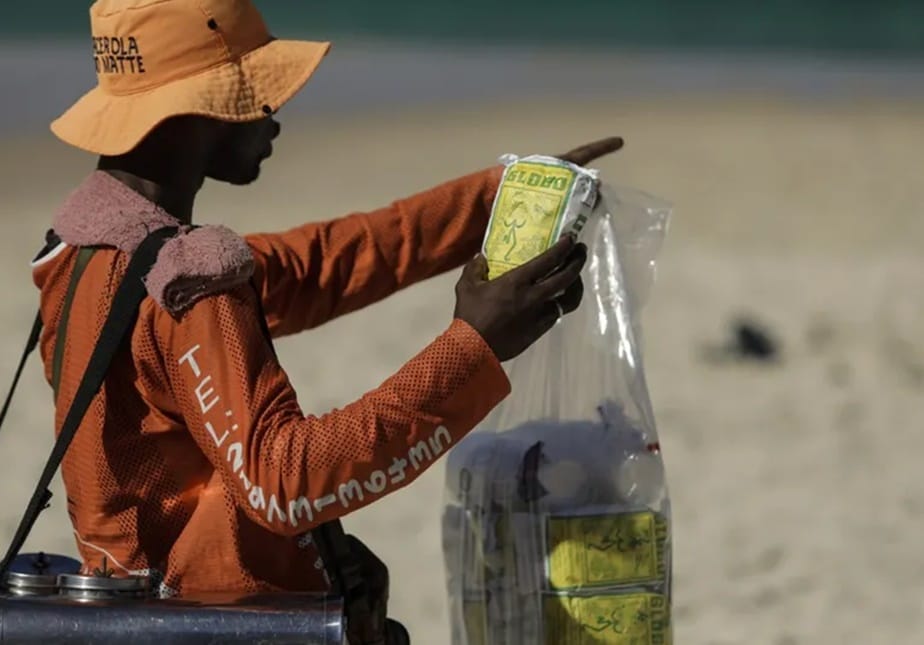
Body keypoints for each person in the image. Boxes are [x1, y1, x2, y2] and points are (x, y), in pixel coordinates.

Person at [33, 0, 621, 626]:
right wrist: (474, 345)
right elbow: (285, 485)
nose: (276, 119)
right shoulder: (186, 283)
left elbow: (329, 261)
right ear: (193, 113)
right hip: (212, 617)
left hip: (127, 610)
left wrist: (500, 199)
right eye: (259, 94)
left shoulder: (84, 253)